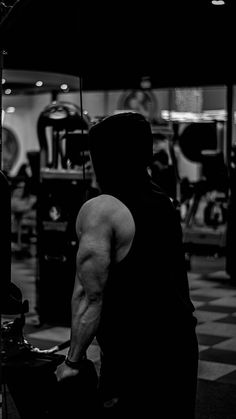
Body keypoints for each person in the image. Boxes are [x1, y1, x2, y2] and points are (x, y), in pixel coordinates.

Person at [56, 112, 199, 418]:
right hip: (181, 345)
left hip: (134, 357)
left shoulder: (101, 209)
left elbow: (89, 296)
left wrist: (72, 361)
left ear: (101, 157)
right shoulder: (165, 202)